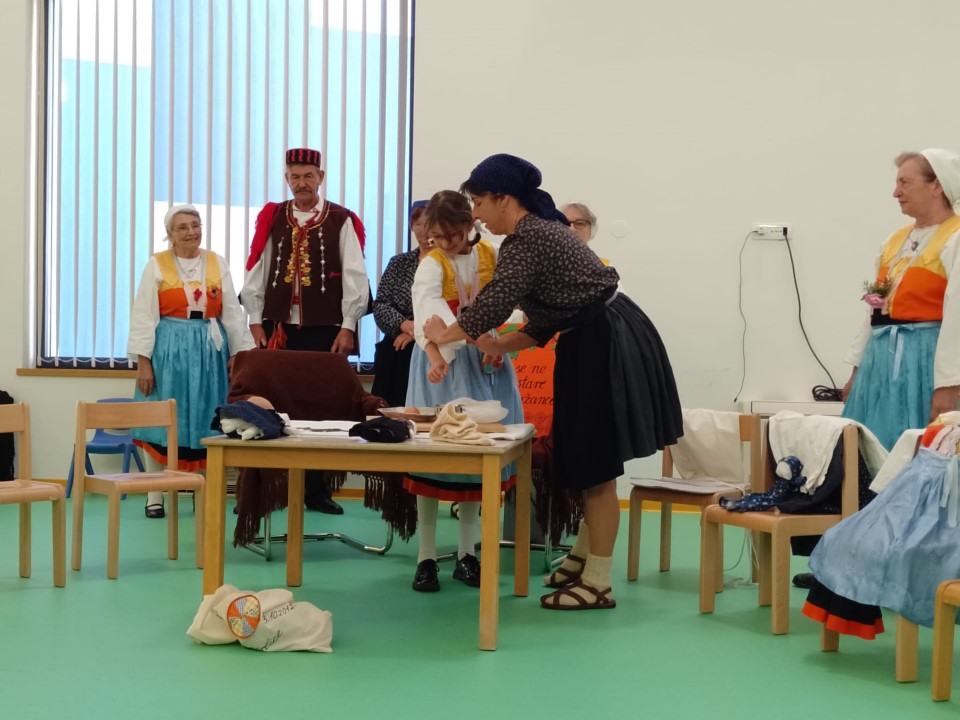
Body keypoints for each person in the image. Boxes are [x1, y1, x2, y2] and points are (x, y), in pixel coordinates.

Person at [423, 154, 683, 610]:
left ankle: (598, 583)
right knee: (583, 456)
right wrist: (498, 345)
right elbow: (545, 321)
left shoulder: (527, 238)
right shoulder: (538, 233)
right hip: (593, 336)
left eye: (479, 203)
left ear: (504, 199)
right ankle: (584, 558)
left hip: (602, 341)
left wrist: (441, 335)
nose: (477, 215)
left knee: (597, 464)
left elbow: (494, 304)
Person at [405, 190, 524, 592]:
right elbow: (428, 314)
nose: (443, 243)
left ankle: (467, 553)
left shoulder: (491, 254)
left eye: (451, 235)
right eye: (436, 237)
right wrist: (437, 352)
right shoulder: (431, 264)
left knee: (479, 455)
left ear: (469, 225)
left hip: (484, 358)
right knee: (432, 455)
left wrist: (495, 341)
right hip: (443, 361)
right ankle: (425, 557)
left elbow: (502, 302)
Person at [241, 147, 370, 515]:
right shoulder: (273, 216)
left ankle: (316, 491)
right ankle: (264, 491)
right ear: (287, 179)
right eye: (295, 176)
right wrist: (255, 319)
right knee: (268, 404)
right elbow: (257, 266)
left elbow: (355, 275)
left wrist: (348, 326)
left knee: (319, 407)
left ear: (320, 177)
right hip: (277, 327)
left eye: (308, 176)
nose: (301, 183)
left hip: (325, 329)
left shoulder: (341, 219)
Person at [128, 204, 255, 518]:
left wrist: (239, 355)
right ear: (170, 234)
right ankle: (155, 494)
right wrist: (144, 362)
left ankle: (205, 492)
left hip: (209, 352)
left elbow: (231, 312)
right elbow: (144, 315)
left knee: (207, 416)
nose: (191, 232)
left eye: (196, 225)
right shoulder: (156, 264)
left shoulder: (216, 262)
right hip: (168, 352)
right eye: (183, 227)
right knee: (161, 419)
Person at [802, 411, 960, 638]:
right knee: (844, 539)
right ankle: (845, 614)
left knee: (906, 556)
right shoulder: (942, 431)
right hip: (919, 495)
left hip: (944, 524)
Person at [841, 149, 960, 450]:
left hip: (924, 359)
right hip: (880, 361)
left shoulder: (955, 238)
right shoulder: (894, 241)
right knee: (869, 446)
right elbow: (873, 312)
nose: (896, 192)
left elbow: (957, 316)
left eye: (905, 182)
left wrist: (949, 385)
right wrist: (857, 370)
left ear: (937, 186)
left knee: (921, 447)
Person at [370, 200, 433, 407]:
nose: (425, 231)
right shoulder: (399, 262)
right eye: (419, 224)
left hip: (435, 345)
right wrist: (404, 325)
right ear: (411, 227)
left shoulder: (449, 262)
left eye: (430, 225)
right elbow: (381, 304)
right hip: (397, 345)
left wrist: (417, 330)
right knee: (390, 409)